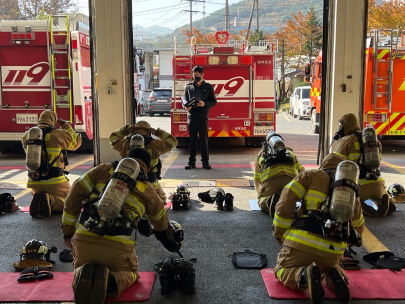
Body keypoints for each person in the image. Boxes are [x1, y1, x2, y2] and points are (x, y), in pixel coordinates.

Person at [61, 148, 183, 304]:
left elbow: (73, 197)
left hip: (84, 240)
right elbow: (161, 223)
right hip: (117, 247)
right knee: (132, 273)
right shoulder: (148, 188)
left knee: (80, 267)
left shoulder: (101, 170)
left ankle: (80, 274)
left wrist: (68, 232)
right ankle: (110, 280)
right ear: (146, 167)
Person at [273, 153, 365, 304]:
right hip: (333, 247)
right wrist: (344, 247)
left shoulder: (310, 175)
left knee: (281, 270)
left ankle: (304, 275)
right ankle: (335, 275)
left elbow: (285, 204)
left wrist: (279, 233)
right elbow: (359, 226)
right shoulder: (351, 192)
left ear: (323, 164)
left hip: (302, 242)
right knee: (329, 268)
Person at [332, 113, 396, 217]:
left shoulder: (346, 140)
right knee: (381, 194)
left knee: (343, 196)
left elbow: (335, 163)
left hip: (358, 186)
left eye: (341, 125)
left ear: (346, 125)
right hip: (377, 183)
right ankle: (385, 202)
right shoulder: (374, 141)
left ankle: (359, 205)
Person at [21, 110, 82, 217]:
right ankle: (50, 200)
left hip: (34, 181)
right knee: (72, 202)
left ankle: (40, 200)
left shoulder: (27, 136)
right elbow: (77, 142)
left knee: (40, 194)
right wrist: (66, 125)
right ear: (53, 121)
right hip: (56, 182)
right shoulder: (58, 134)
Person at [109, 120, 177, 202]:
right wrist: (157, 132)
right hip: (150, 180)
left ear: (133, 131)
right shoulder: (155, 144)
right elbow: (173, 141)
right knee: (161, 200)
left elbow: (112, 139)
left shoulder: (125, 144)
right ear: (149, 131)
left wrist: (125, 130)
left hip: (129, 180)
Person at [254, 132, 304, 214]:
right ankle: (286, 203)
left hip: (270, 179)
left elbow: (257, 179)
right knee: (291, 200)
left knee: (262, 202)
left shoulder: (261, 155)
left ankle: (271, 202)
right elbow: (301, 172)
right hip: (290, 179)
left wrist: (261, 194)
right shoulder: (290, 153)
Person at [184, 66, 217, 170]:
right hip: (192, 117)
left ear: (202, 75)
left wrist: (204, 104)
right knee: (192, 141)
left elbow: (214, 102)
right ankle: (191, 162)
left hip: (202, 117)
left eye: (197, 75)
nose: (195, 77)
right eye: (194, 75)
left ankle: (205, 162)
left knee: (204, 141)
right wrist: (186, 106)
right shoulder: (189, 87)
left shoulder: (208, 87)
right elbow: (185, 101)